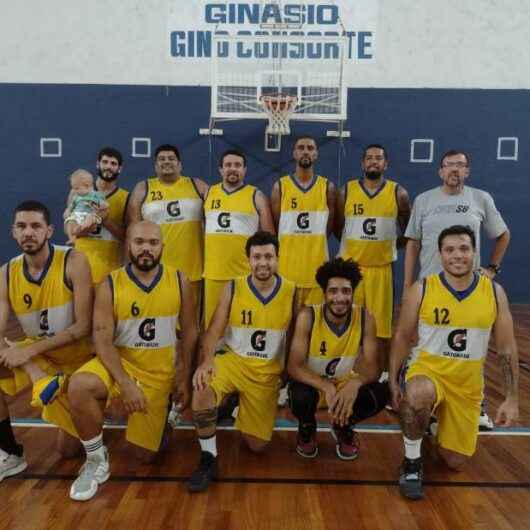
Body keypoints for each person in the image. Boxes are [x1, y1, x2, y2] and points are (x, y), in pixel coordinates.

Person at [65, 221, 198, 501]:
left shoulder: (180, 280)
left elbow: (189, 332)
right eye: (139, 242)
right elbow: (101, 339)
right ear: (129, 245)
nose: (146, 249)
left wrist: (183, 377)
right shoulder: (110, 283)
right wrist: (125, 384)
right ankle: (96, 461)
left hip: (158, 373)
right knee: (79, 385)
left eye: (152, 242)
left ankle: (166, 418)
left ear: (163, 246)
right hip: (119, 366)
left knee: (146, 456)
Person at [390, 225, 519, 500]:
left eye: (464, 249)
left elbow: (506, 349)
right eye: (449, 250)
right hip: (429, 372)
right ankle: (411, 463)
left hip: (467, 385)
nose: (457, 255)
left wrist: (511, 397)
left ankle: (433, 424)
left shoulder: (495, 293)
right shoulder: (422, 289)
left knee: (454, 461)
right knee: (419, 393)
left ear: (474, 253)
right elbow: (402, 336)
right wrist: (392, 379)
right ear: (440, 254)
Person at [404, 149, 511, 429]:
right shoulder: (424, 200)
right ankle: (427, 406)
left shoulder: (480, 199)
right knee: (426, 349)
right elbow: (413, 243)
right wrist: (407, 284)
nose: (454, 170)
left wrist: (492, 269)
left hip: (469, 289)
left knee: (471, 350)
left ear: (467, 171)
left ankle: (477, 406)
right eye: (449, 165)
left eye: (460, 165)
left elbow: (502, 235)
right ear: (440, 171)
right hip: (431, 288)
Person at [188, 231, 296, 493]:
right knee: (202, 389)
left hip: (266, 373)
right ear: (248, 259)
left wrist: (288, 372)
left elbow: (294, 337)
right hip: (234, 362)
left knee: (257, 446)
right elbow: (214, 329)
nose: (263, 262)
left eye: (268, 256)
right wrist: (206, 362)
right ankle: (208, 457)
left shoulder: (292, 291)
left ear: (277, 259)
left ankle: (234, 401)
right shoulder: (234, 286)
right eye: (257, 257)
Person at [0, 201, 93, 481]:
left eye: (36, 226)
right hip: (41, 363)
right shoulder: (6, 273)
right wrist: (31, 366)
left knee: (68, 450)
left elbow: (83, 327)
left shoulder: (74, 261)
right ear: (13, 232)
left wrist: (28, 352)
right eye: (22, 226)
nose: (28, 232)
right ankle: (10, 453)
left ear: (49, 230)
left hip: (79, 362)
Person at [287, 258, 389, 460]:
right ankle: (307, 427)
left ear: (353, 292)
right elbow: (293, 366)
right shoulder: (308, 316)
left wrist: (355, 383)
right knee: (300, 396)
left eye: (346, 291)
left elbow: (373, 368)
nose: (340, 298)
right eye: (333, 291)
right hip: (314, 385)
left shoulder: (365, 318)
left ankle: (343, 425)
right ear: (324, 293)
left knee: (380, 392)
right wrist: (325, 386)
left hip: (343, 387)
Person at [336, 144, 410, 369]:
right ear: (362, 163)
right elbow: (338, 227)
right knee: (346, 321)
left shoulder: (399, 193)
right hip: (351, 270)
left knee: (382, 326)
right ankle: (342, 368)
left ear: (385, 164)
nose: (373, 162)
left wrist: (386, 246)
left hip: (381, 270)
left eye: (378, 158)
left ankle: (385, 373)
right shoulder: (346, 191)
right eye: (369, 158)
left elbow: (408, 231)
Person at [127, 144, 207, 312]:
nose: (166, 162)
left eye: (171, 158)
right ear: (156, 166)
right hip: (155, 271)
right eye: (161, 159)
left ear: (180, 164)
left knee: (190, 325)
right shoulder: (143, 188)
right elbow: (133, 230)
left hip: (193, 270)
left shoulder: (197, 185)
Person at [203, 150, 275, 327]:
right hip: (214, 275)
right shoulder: (209, 193)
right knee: (213, 329)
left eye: (237, 165)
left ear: (245, 169)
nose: (232, 169)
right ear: (220, 169)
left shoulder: (256, 195)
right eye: (228, 165)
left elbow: (269, 237)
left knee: (243, 327)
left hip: (244, 276)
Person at [271, 135, 336, 307]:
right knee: (286, 327)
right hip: (287, 270)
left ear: (316, 154)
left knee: (314, 326)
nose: (305, 151)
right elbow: (277, 226)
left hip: (317, 270)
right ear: (294, 153)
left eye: (310, 148)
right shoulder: (280, 186)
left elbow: (328, 229)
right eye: (301, 148)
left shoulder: (327, 187)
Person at [73, 147, 130, 284]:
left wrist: (105, 220)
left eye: (113, 163)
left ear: (119, 169)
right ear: (98, 164)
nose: (108, 167)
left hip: (110, 271)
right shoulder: (78, 192)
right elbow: (71, 230)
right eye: (105, 162)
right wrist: (91, 222)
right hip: (81, 268)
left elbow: (127, 237)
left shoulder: (126, 198)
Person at [64, 169, 107, 244]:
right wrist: (68, 212)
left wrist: (103, 206)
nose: (74, 190)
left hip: (91, 214)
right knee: (69, 222)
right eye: (73, 188)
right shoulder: (76, 196)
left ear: (87, 186)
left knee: (90, 218)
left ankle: (81, 227)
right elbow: (71, 207)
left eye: (77, 188)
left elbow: (105, 204)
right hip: (78, 215)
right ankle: (72, 238)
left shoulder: (95, 195)